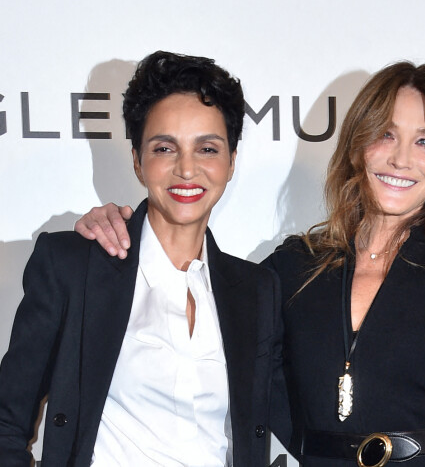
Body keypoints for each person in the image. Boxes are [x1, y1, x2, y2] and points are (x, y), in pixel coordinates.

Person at [73, 63, 425, 466]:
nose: (401, 158)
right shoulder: (294, 266)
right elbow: (204, 292)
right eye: (385, 133)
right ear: (357, 145)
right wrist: (117, 225)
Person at [0, 51, 285, 466]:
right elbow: (6, 422)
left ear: (231, 161)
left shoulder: (258, 292)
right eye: (165, 148)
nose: (187, 170)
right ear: (137, 160)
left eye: (207, 148)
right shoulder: (72, 268)